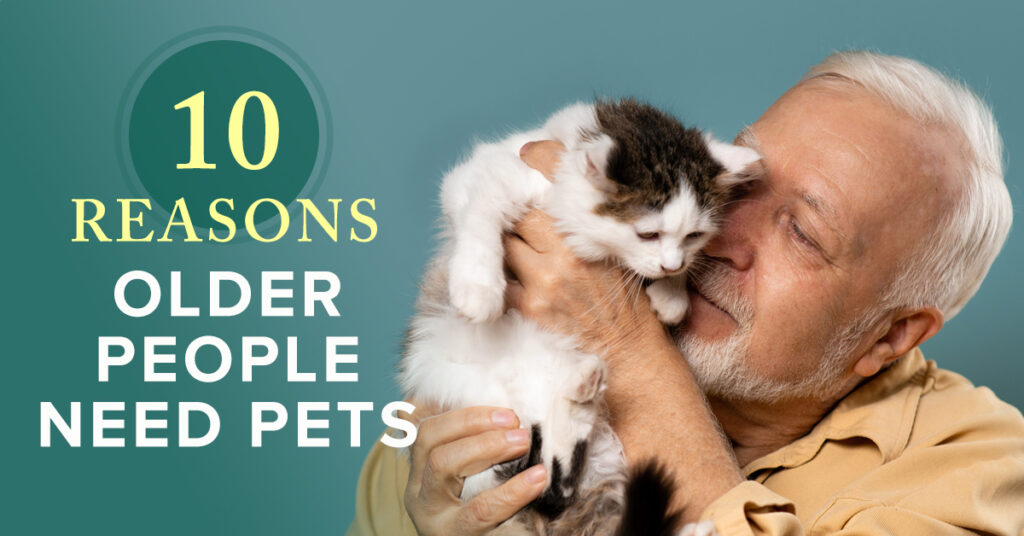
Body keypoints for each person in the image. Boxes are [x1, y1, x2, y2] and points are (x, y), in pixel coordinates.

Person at [348, 51, 1024, 535]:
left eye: (802, 233)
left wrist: (630, 353)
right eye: (738, 183)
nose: (721, 235)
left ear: (890, 336)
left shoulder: (982, 474)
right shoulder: (456, 423)